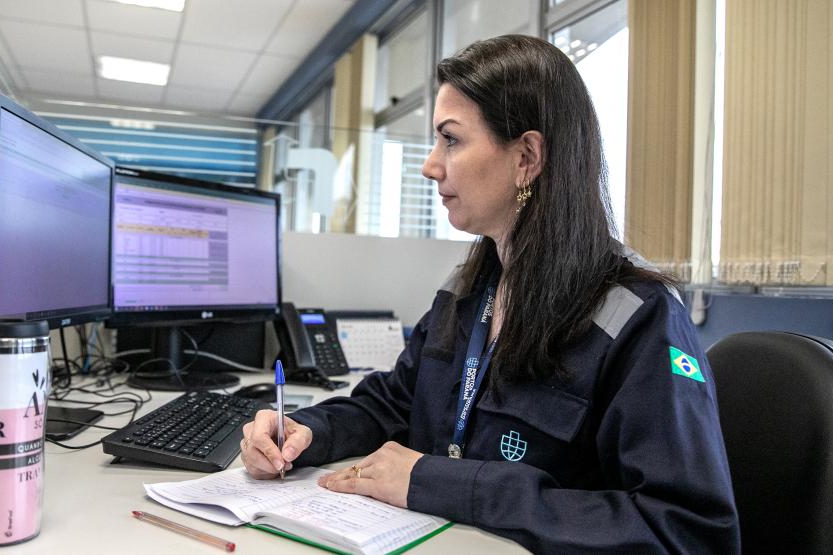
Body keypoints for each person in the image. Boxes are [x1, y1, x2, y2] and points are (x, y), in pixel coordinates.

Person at [240, 34, 740, 553]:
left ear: (526, 157)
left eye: (451, 140)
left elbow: (685, 531)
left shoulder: (637, 318)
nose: (430, 165)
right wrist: (304, 432)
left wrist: (443, 483)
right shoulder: (468, 290)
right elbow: (393, 403)